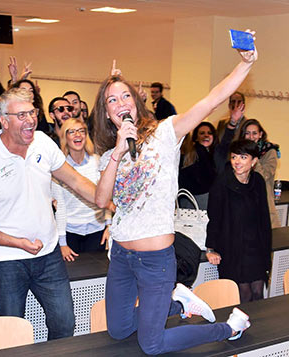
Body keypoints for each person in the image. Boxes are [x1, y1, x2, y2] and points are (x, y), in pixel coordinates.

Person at [92, 32, 257, 354]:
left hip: (155, 258)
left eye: (125, 96)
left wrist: (245, 65)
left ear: (136, 103)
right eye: (112, 100)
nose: (120, 104)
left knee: (151, 345)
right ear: (106, 112)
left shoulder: (166, 133)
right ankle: (178, 302)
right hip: (122, 257)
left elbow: (210, 101)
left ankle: (229, 328)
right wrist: (116, 154)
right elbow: (101, 201)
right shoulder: (107, 154)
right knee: (118, 330)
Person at [0, 88, 99, 340]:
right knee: (11, 334)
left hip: (48, 256)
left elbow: (77, 182)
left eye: (32, 112)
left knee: (64, 324)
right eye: (21, 114)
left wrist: (109, 202)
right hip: (7, 261)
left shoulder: (43, 143)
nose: (31, 119)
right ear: (3, 121)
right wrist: (17, 242)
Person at [206, 139, 271, 303]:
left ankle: (258, 327)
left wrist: (266, 252)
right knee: (243, 294)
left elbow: (264, 218)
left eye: (243, 157)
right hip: (232, 247)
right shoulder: (222, 182)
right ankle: (241, 328)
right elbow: (214, 218)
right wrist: (210, 248)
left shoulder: (258, 181)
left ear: (254, 161)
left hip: (255, 247)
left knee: (258, 292)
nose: (237, 161)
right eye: (234, 157)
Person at [52, 118, 110, 261]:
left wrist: (109, 226)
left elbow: (106, 196)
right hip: (70, 232)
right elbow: (60, 207)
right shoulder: (59, 167)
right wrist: (62, 242)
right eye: (72, 132)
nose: (77, 135)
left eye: (81, 131)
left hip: (97, 230)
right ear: (65, 138)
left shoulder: (98, 161)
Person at [240, 118, 281, 228]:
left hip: (264, 206)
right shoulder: (238, 152)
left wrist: (254, 159)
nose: (251, 137)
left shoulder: (269, 151)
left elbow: (263, 176)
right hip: (244, 207)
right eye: (247, 133)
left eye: (254, 133)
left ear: (260, 134)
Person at [178, 122, 218, 209]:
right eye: (202, 133)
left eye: (209, 133)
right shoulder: (196, 152)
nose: (206, 136)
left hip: (193, 198)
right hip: (197, 199)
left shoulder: (214, 153)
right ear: (196, 137)